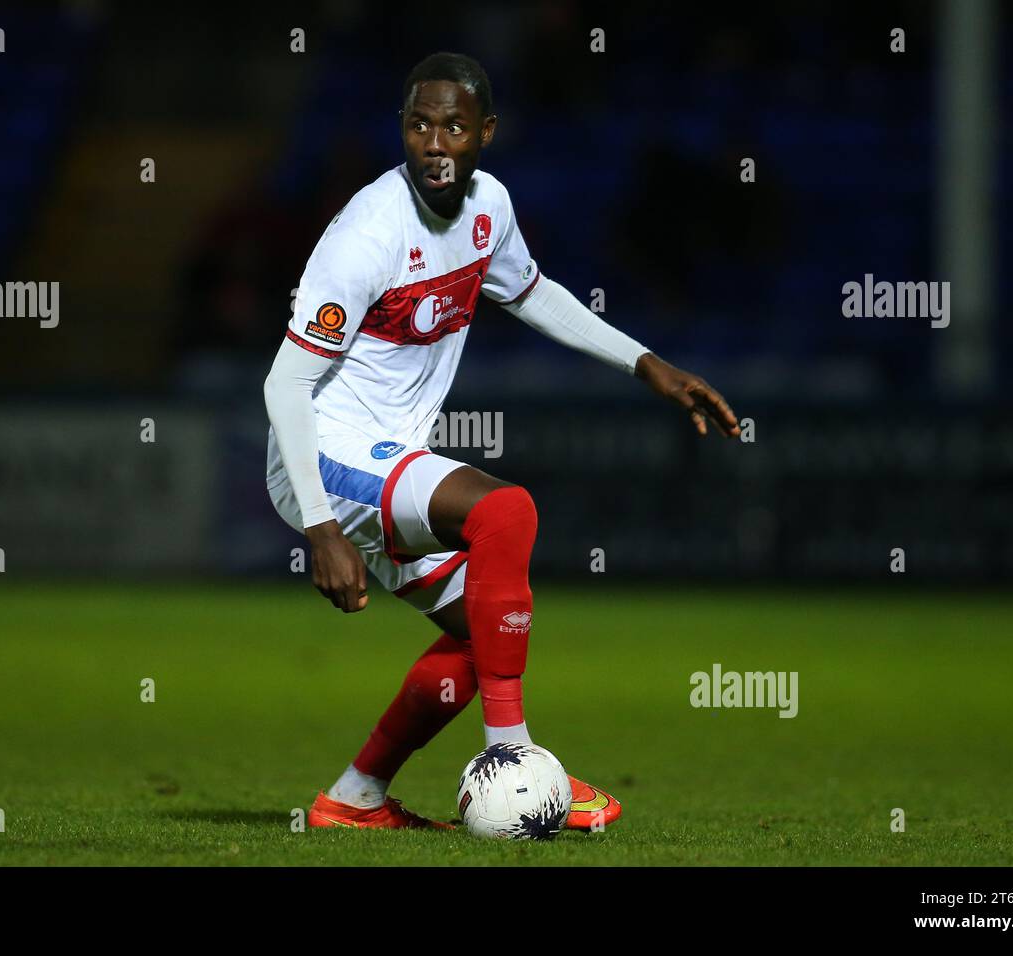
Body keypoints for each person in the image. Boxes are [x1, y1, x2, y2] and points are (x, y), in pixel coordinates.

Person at [263, 52, 739, 830]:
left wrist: (645, 363)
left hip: (388, 461)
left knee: (487, 634)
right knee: (506, 513)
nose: (436, 143)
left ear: (487, 132)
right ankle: (513, 758)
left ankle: (354, 799)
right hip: (322, 456)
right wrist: (319, 527)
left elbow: (530, 291)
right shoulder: (366, 236)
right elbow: (283, 386)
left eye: (454, 126)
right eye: (419, 125)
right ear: (403, 133)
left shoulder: (490, 208)